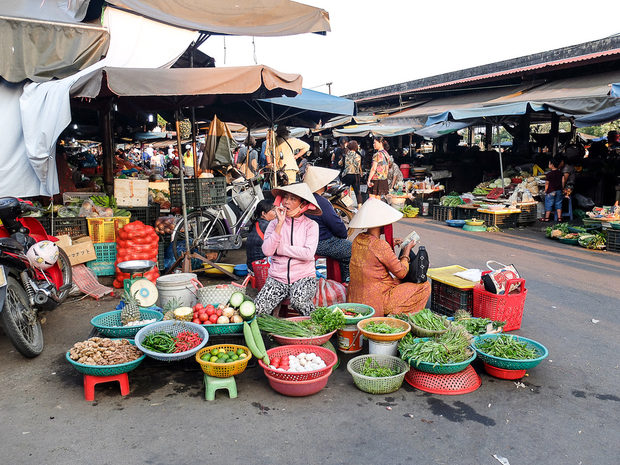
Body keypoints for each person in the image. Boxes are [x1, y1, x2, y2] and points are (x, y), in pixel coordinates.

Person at [346, 198, 431, 316]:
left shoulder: (358, 239)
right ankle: (399, 318)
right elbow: (401, 272)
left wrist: (390, 244)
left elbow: (375, 255)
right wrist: (406, 252)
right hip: (376, 301)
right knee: (424, 286)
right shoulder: (380, 245)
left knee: (398, 282)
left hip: (355, 297)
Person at [254, 183, 321, 316]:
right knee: (258, 309)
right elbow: (267, 251)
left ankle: (317, 322)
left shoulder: (311, 225)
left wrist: (280, 249)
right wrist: (279, 224)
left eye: (293, 199)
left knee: (299, 301)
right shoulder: (273, 224)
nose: (286, 202)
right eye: (285, 197)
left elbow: (308, 254)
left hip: (304, 277)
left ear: (302, 204)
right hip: (277, 278)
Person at [304, 166, 352, 281]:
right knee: (353, 250)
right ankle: (347, 280)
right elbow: (339, 228)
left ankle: (344, 279)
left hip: (307, 241)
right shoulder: (322, 202)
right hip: (321, 243)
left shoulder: (304, 198)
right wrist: (342, 236)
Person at [246, 200, 275, 270]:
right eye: (273, 210)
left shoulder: (257, 223)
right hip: (261, 267)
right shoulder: (267, 225)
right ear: (264, 213)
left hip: (251, 266)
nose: (276, 213)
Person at [341, 140, 363, 208]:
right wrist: (361, 173)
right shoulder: (358, 156)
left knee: (345, 191)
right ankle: (360, 207)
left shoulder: (345, 155)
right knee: (357, 192)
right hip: (356, 175)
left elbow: (340, 163)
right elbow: (359, 166)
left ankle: (346, 206)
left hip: (346, 175)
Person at [541, 158, 563, 222]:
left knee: (549, 203)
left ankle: (547, 218)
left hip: (551, 191)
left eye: (549, 164)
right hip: (559, 190)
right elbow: (563, 181)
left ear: (552, 165)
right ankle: (559, 218)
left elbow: (547, 183)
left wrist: (545, 190)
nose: (548, 165)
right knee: (558, 204)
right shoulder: (560, 173)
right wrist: (562, 188)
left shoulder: (549, 174)